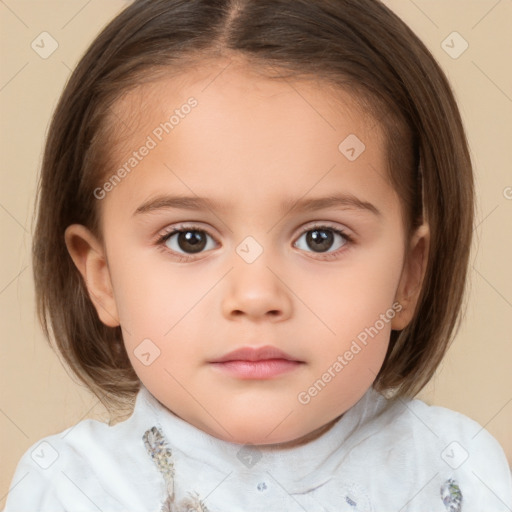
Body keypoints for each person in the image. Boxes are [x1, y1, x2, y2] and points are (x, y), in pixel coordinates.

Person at [3, 0, 511, 510]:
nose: (255, 296)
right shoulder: (71, 489)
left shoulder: (457, 470)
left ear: (408, 275)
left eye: (321, 238)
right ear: (103, 278)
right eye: (190, 240)